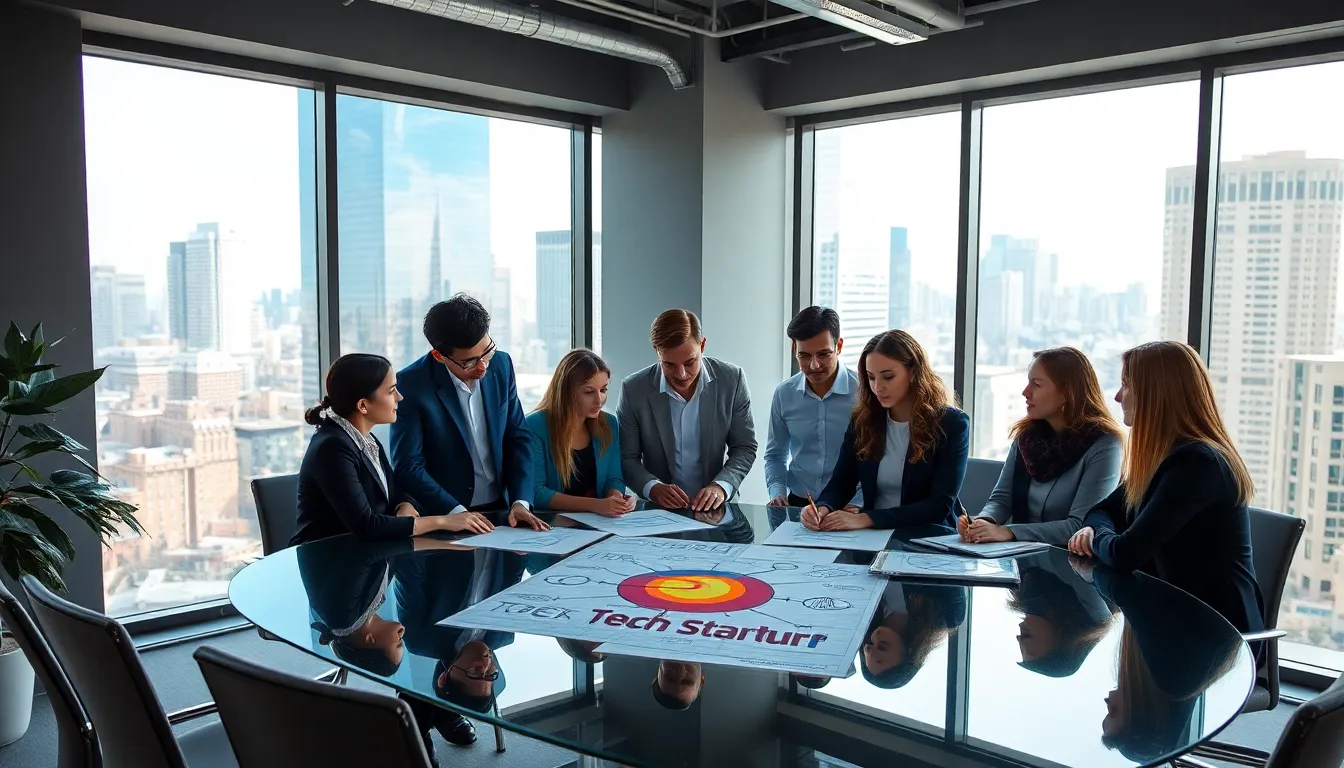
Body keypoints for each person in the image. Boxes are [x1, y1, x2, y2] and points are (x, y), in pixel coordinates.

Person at [1067, 341, 1264, 634]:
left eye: (1126, 385)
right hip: (1172, 618)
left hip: (1218, 636)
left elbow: (1125, 554)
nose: (1118, 396)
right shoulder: (1162, 458)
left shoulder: (1197, 464)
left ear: (1155, 395)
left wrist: (1095, 536)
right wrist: (1095, 528)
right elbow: (1101, 511)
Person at [293, 353, 494, 546]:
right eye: (391, 391)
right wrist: (443, 521)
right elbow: (367, 525)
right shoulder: (332, 449)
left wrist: (403, 504)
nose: (400, 397)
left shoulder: (366, 438)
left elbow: (395, 491)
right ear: (363, 405)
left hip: (366, 555)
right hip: (326, 558)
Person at [391, 295, 548, 532]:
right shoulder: (411, 384)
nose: (483, 366)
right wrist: (457, 514)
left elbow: (517, 438)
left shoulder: (502, 364)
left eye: (487, 352)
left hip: (503, 511)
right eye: (469, 361)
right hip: (446, 515)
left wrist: (520, 501)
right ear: (439, 356)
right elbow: (408, 465)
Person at [802, 330, 969, 531]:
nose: (877, 387)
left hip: (928, 535)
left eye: (888, 377)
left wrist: (867, 519)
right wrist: (822, 508)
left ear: (913, 372)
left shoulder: (952, 424)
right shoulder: (863, 421)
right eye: (871, 378)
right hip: (872, 536)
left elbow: (938, 506)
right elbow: (841, 483)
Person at [960, 347, 1123, 547]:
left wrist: (1009, 532)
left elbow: (1081, 525)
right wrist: (982, 523)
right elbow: (1001, 499)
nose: (1025, 392)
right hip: (1020, 556)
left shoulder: (1105, 445)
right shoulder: (1026, 438)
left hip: (1071, 560)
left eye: (1036, 384)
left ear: (1066, 393)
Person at [618, 309, 758, 512]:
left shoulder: (732, 380)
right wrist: (652, 487)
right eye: (669, 364)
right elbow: (626, 457)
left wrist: (721, 486)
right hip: (657, 512)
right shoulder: (633, 389)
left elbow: (745, 447)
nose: (681, 374)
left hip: (717, 510)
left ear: (702, 345)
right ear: (657, 351)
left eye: (689, 362)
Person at [764, 306, 862, 513]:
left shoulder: (864, 393)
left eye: (823, 354)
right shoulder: (784, 394)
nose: (814, 365)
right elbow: (775, 454)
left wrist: (858, 504)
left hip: (850, 506)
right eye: (804, 356)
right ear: (794, 349)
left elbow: (877, 459)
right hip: (798, 504)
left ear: (839, 346)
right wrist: (778, 493)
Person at [526, 349, 635, 515]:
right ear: (566, 392)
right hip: (550, 522)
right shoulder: (534, 425)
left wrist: (616, 499)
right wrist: (596, 505)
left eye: (603, 390)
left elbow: (614, 478)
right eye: (589, 392)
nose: (599, 400)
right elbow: (536, 492)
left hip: (599, 522)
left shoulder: (609, 424)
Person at [860, 583, 967, 688]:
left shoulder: (864, 616)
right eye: (882, 646)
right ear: (910, 652)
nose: (875, 636)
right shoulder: (949, 612)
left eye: (869, 645)